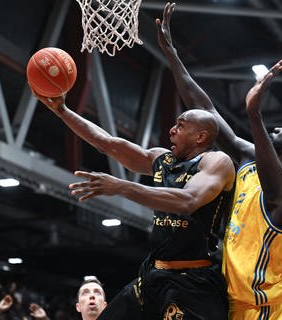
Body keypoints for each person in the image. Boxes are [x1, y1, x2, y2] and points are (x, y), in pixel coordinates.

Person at [31, 24, 235, 320]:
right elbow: (108, 144)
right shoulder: (161, 159)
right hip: (152, 275)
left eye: (181, 125)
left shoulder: (216, 163)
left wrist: (121, 187)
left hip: (193, 282)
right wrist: (62, 110)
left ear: (201, 137)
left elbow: (187, 201)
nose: (172, 129)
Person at [156, 2, 282, 319]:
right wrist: (172, 54)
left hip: (271, 311)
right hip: (233, 306)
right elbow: (208, 113)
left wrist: (254, 115)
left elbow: (275, 190)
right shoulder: (248, 158)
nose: (277, 127)